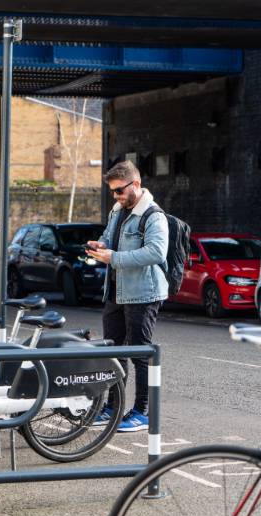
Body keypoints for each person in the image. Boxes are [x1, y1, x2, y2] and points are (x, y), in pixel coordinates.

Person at [86, 160, 169, 432]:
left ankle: (142, 412)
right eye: (112, 191)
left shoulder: (153, 215)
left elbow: (157, 252)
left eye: (119, 191)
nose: (116, 196)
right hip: (116, 292)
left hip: (143, 294)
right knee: (115, 351)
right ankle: (113, 407)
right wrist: (101, 246)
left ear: (136, 184)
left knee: (139, 352)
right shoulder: (117, 210)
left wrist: (115, 257)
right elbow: (109, 238)